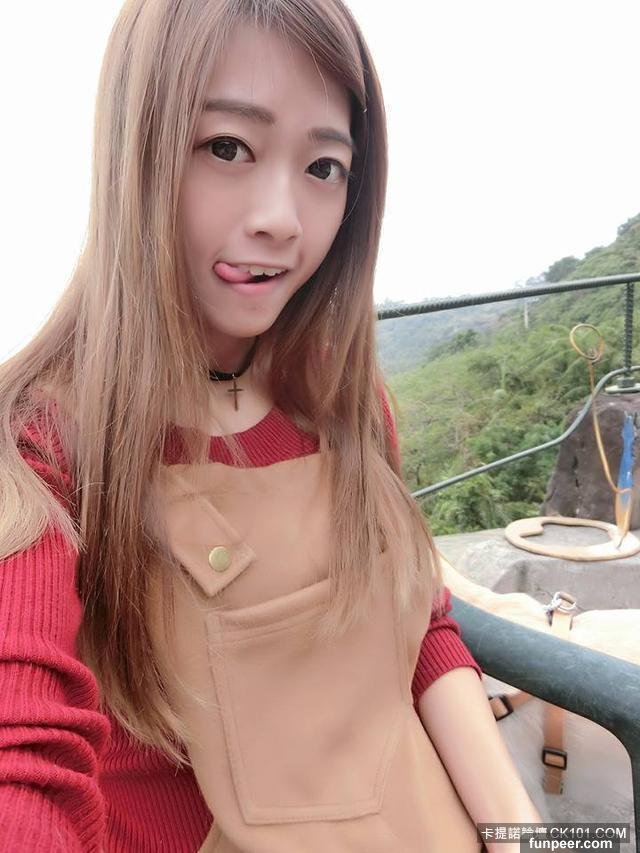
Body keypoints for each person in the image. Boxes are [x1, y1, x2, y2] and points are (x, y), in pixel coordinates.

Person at [0, 1, 541, 850]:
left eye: (324, 166)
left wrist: (523, 832)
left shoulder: (343, 400)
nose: (282, 217)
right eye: (227, 147)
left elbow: (419, 624)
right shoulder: (40, 445)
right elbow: (24, 757)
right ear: (136, 150)